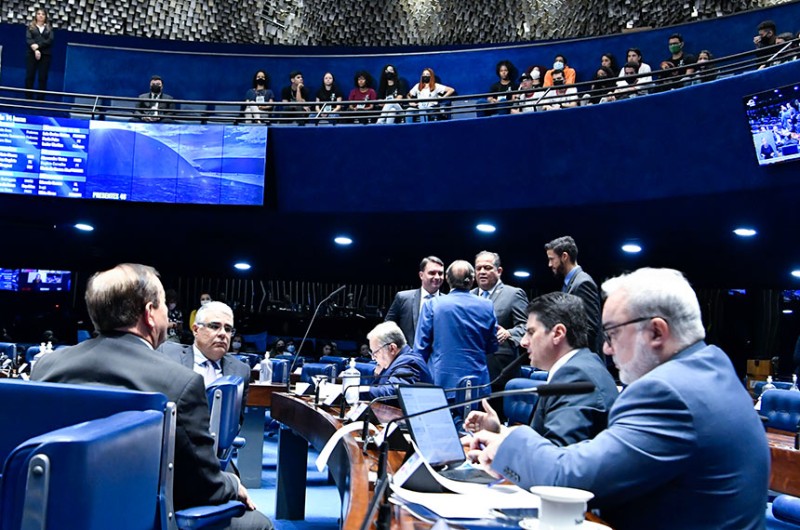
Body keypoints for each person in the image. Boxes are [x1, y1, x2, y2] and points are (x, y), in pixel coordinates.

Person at [468, 268, 769, 530]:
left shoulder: (669, 393)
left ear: (656, 332)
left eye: (611, 334)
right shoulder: (712, 368)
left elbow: (570, 480)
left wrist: (508, 444)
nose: (607, 349)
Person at [30, 264, 272, 530]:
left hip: (54, 513)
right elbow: (204, 487)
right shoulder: (180, 383)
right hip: (143, 517)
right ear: (150, 314)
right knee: (260, 524)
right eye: (164, 305)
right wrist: (233, 484)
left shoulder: (46, 367)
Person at [464, 292, 618, 446]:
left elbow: (555, 455)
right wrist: (499, 432)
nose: (523, 342)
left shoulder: (575, 376)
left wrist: (499, 447)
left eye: (531, 332)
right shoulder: (584, 365)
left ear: (557, 334)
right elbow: (544, 439)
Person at [414, 260, 498, 398]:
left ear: (447, 279)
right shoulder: (487, 305)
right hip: (478, 383)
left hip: (440, 383)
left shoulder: (432, 304)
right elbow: (492, 346)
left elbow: (420, 349)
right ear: (472, 280)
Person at [159, 300, 251, 423]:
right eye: (214, 326)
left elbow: (235, 422)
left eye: (228, 329)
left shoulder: (241, 371)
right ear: (196, 330)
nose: (223, 334)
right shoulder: (168, 355)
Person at [471, 251, 528, 419]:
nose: (482, 272)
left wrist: (509, 333)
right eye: (478, 268)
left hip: (499, 372)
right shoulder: (469, 296)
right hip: (472, 372)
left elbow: (527, 326)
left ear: (499, 271)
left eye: (487, 268)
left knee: (496, 421)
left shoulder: (513, 294)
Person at [544, 236, 603, 356]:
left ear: (564, 256)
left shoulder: (583, 283)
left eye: (552, 259)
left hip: (584, 359)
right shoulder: (571, 283)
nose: (549, 264)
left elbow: (590, 330)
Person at [361, 321, 433, 401]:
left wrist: (356, 391)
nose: (373, 358)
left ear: (392, 348)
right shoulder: (396, 362)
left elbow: (391, 392)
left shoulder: (409, 362)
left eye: (375, 352)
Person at [385, 256, 445, 345]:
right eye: (432, 273)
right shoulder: (403, 298)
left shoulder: (449, 302)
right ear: (421, 275)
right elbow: (387, 328)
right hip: (409, 352)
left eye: (440, 273)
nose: (437, 277)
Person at [25, 7, 54, 100]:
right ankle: (28, 97)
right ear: (36, 16)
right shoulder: (30, 27)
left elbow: (49, 40)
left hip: (45, 55)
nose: (40, 16)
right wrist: (35, 50)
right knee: (30, 75)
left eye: (43, 14)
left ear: (45, 16)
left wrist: (38, 46)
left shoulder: (49, 28)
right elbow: (29, 39)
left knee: (43, 77)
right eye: (39, 14)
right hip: (32, 54)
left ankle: (40, 98)